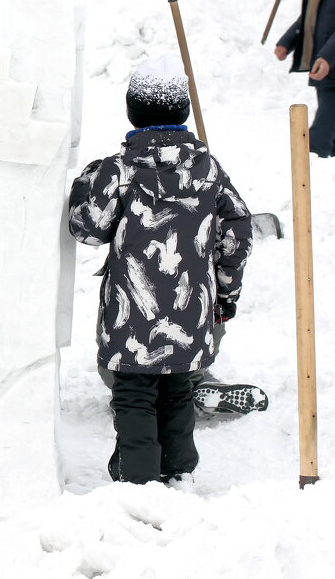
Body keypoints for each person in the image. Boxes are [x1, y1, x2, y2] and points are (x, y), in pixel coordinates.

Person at [68, 56, 253, 484]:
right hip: (191, 311)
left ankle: (137, 481)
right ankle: (178, 474)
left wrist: (87, 179)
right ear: (184, 112)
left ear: (131, 111)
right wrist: (225, 295)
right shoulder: (209, 171)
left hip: (132, 311)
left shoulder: (119, 171)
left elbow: (87, 227)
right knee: (177, 392)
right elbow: (237, 232)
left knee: (133, 396)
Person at [275, 0, 335, 157]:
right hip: (326, 55)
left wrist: (327, 56)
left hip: (330, 57)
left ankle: (311, 158)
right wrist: (288, 40)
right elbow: (314, 7)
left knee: (323, 130)